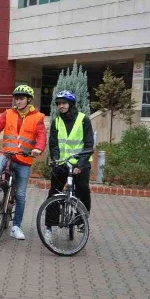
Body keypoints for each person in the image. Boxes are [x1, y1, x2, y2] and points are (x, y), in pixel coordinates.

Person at [0, 85, 46, 240]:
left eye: (21, 98)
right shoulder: (8, 113)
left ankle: (16, 226)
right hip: (7, 154)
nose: (18, 101)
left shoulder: (38, 117)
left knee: (21, 195)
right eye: (16, 98)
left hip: (24, 159)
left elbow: (41, 136)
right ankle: (2, 188)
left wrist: (38, 149)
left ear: (29, 100)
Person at [44, 90, 94, 245]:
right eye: (59, 104)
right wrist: (57, 159)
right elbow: (53, 144)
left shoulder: (83, 119)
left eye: (64, 103)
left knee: (83, 189)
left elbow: (89, 144)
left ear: (71, 104)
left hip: (80, 163)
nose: (61, 106)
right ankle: (49, 228)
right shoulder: (57, 121)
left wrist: (80, 165)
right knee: (54, 193)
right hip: (62, 163)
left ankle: (81, 221)